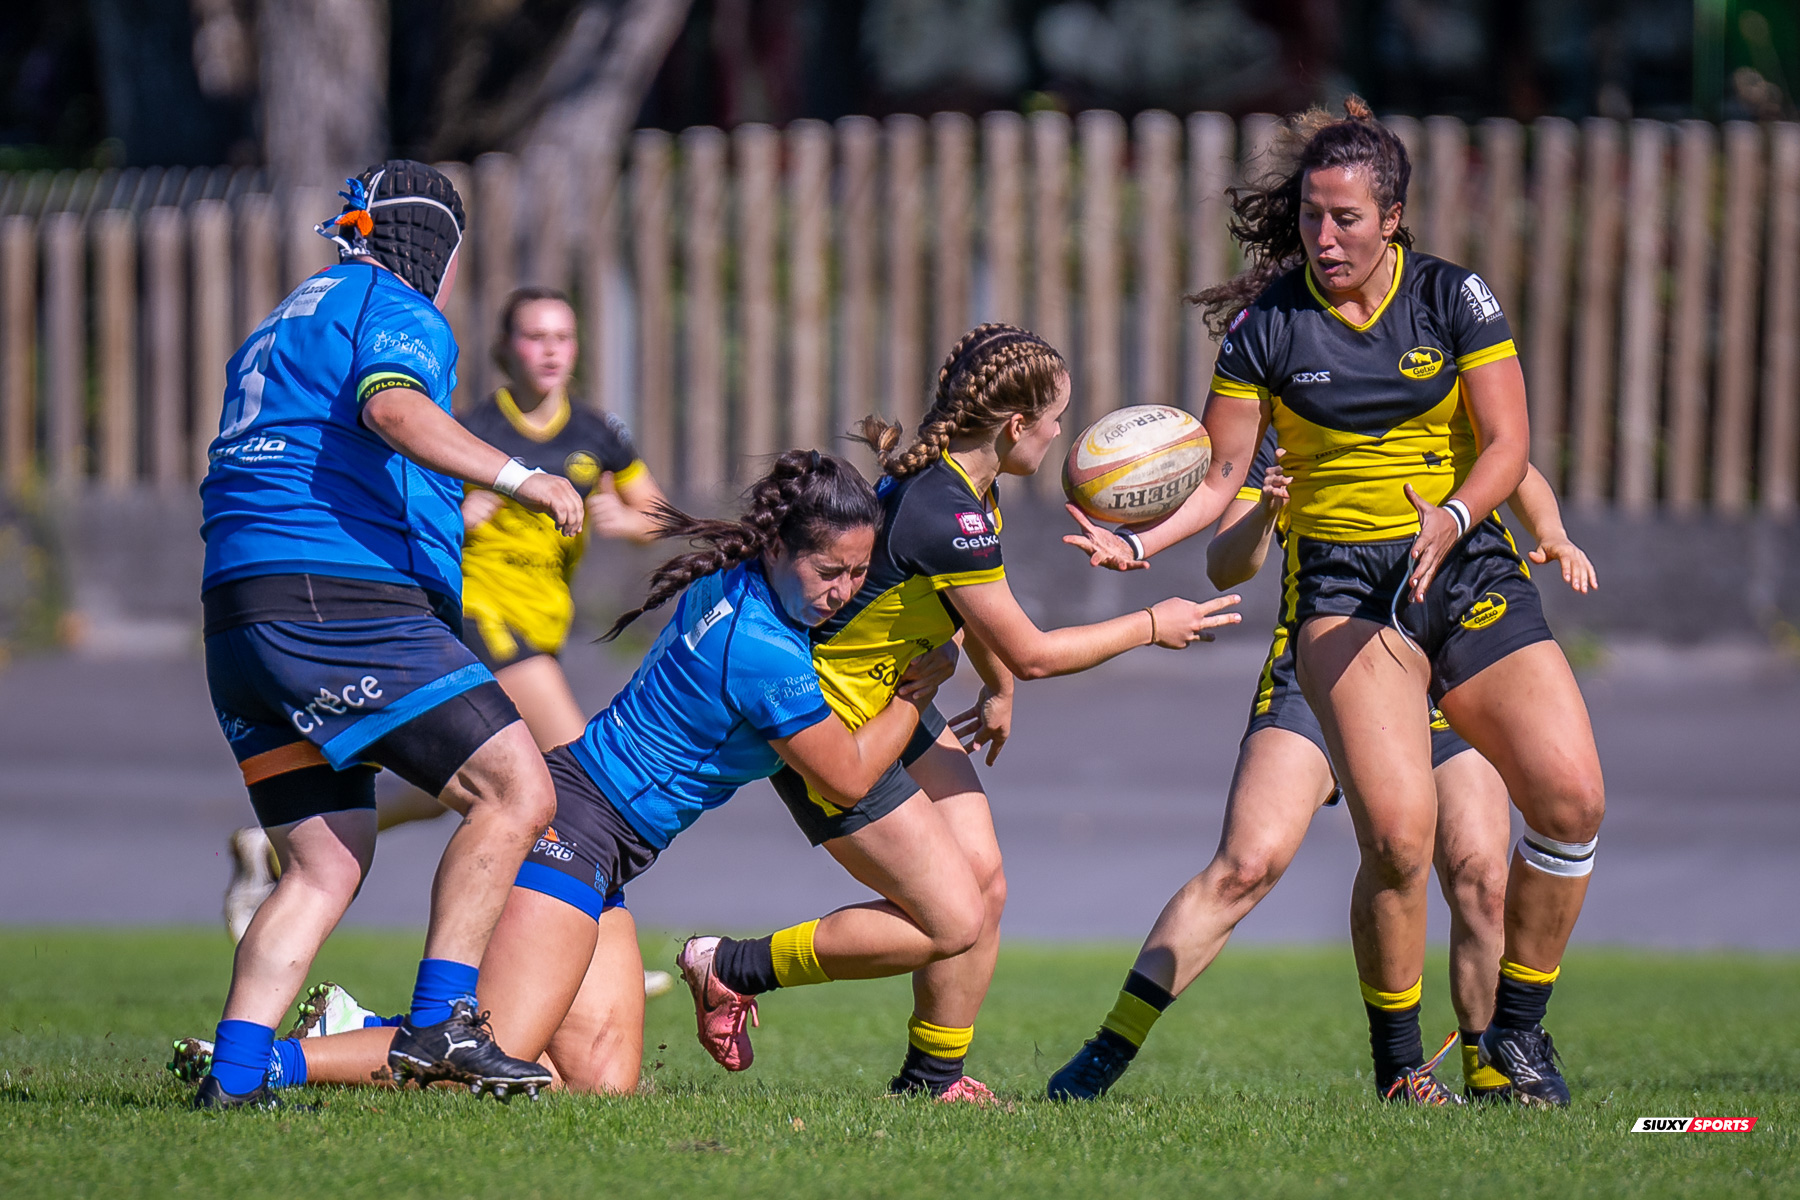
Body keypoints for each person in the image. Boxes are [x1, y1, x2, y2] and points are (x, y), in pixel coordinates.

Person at [1065, 100, 1607, 1107]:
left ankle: (1517, 1036)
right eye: (1312, 217)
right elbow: (1224, 473)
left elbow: (1508, 449)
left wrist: (1454, 517)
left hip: (1470, 568)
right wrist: (1139, 541)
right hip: (1348, 591)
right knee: (1397, 839)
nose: (1324, 237)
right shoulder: (1266, 324)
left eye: (1346, 219)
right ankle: (1401, 1066)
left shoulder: (1455, 298)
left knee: (1569, 802)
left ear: (1393, 216)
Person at [175, 452, 958, 1097]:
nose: (845, 593)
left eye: (859, 574)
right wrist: (917, 689)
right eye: (832, 571)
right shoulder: (766, 652)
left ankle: (351, 1030)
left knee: (601, 1084)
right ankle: (275, 1060)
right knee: (474, 1059)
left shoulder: (740, 584)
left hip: (604, 845)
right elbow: (849, 780)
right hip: (573, 831)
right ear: (780, 547)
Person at [676, 324, 1242, 1102]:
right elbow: (1035, 648)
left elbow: (968, 613)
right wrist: (1151, 624)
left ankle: (932, 1079)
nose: (1056, 438)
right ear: (1016, 425)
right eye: (1053, 422)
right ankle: (730, 966)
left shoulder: (972, 492)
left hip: (897, 690)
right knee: (951, 917)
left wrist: (997, 689)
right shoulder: (945, 508)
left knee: (986, 885)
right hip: (839, 717)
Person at [193, 161, 585, 1109]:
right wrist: (522, 478)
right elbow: (393, 409)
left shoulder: (285, 319)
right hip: (337, 599)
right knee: (519, 787)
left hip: (238, 616)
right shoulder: (397, 305)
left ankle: (237, 1077)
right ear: (436, 249)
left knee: (326, 861)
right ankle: (445, 1022)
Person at [1050, 429, 1597, 1104]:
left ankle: (1491, 1081)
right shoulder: (1288, 411)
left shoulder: (1433, 375)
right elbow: (1228, 563)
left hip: (1449, 656)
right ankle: (1106, 1053)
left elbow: (1512, 465)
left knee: (1479, 876)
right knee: (1246, 865)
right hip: (1327, 661)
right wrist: (1264, 511)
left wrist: (1554, 532)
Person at [220, 284, 677, 997]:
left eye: (563, 336)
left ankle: (270, 854)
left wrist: (630, 519)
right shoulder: (470, 427)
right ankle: (596, 956)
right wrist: (466, 510)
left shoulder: (599, 433)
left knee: (461, 790)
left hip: (543, 627)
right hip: (482, 621)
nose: (550, 350)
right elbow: (409, 499)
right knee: (583, 775)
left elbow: (655, 512)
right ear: (505, 348)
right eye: (534, 336)